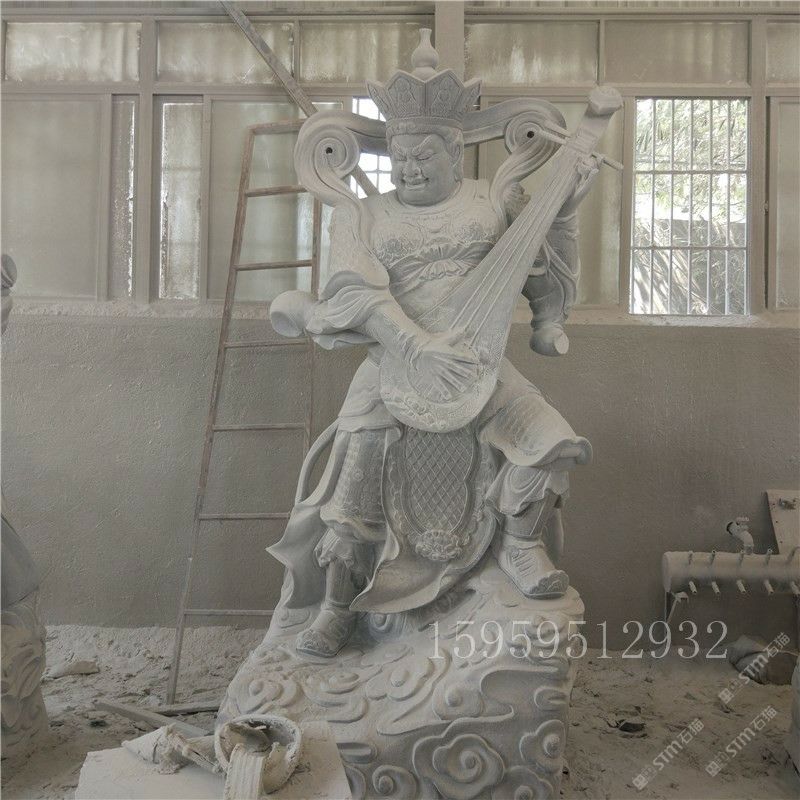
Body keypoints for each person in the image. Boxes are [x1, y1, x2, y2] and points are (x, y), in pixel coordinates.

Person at [269, 33, 595, 659]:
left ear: (454, 151)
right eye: (399, 156)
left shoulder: (492, 200)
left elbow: (538, 262)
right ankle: (336, 607)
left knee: (551, 440)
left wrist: (564, 210)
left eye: (423, 154)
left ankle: (520, 545)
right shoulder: (365, 214)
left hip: (476, 361)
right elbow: (355, 291)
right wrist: (415, 346)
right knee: (353, 486)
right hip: (392, 360)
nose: (409, 167)